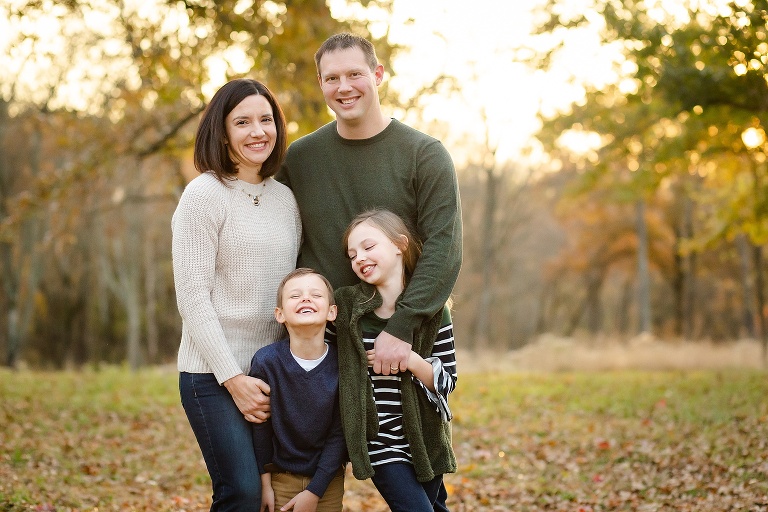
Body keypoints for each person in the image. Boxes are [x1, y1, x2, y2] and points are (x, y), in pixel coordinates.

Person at [278, 32, 462, 377]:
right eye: (332, 78)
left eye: (354, 74)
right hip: (319, 343)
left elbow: (445, 248)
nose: (344, 87)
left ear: (377, 75)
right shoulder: (300, 158)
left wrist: (402, 325)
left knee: (401, 432)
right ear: (321, 84)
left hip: (396, 341)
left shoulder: (425, 155)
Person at [172, 78, 302, 511]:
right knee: (242, 492)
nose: (258, 131)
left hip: (272, 374)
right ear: (222, 131)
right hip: (211, 374)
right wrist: (233, 378)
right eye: (242, 121)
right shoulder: (203, 195)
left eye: (266, 120)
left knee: (277, 496)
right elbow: (192, 296)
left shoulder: (285, 199)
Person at [334, 209, 458, 512]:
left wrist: (411, 358)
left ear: (400, 244)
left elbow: (447, 381)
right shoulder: (347, 307)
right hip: (381, 442)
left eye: (368, 246)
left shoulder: (434, 311)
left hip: (427, 438)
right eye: (352, 254)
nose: (359, 258)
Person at [248, 268, 346, 512]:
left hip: (327, 481)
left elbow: (341, 433)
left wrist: (314, 492)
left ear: (332, 311)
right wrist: (265, 483)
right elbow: (260, 428)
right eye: (295, 296)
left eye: (316, 294)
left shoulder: (343, 363)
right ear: (280, 314)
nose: (305, 298)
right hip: (280, 478)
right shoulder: (266, 362)